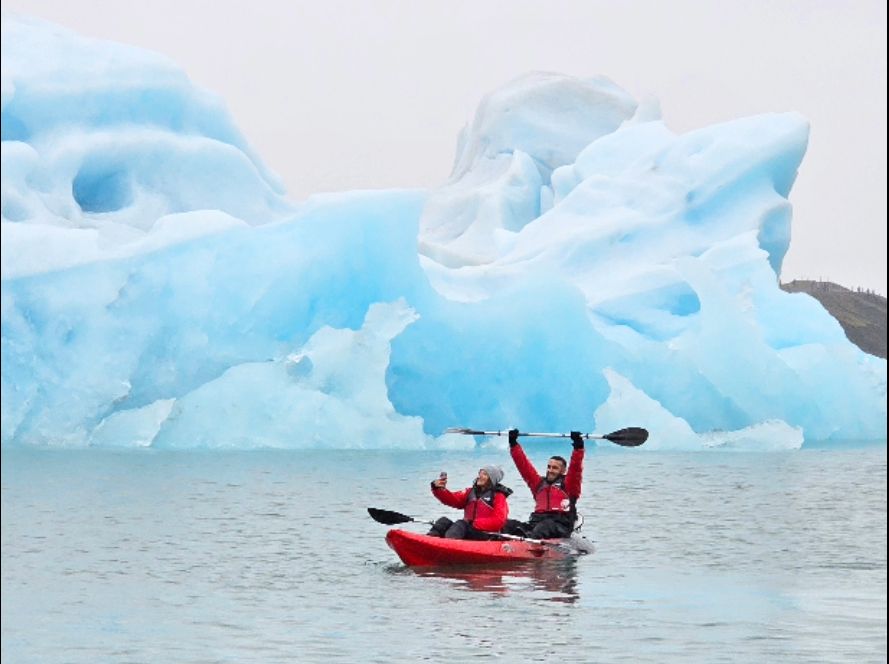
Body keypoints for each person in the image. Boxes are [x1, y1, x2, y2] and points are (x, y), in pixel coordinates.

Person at [505, 428, 584, 539]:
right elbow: (523, 466)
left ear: (563, 471)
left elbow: (576, 469)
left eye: (555, 468)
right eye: (549, 467)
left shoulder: (569, 486)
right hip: (536, 522)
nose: (550, 470)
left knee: (544, 527)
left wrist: (578, 447)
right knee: (508, 524)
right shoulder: (538, 484)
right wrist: (513, 444)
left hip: (559, 525)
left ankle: (529, 543)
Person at [427, 465, 512, 540]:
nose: (480, 476)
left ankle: (447, 546)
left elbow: (499, 521)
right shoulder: (470, 492)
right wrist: (438, 489)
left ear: (492, 480)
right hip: (469, 530)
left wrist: (475, 523)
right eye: (480, 473)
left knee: (461, 524)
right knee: (443, 521)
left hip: (485, 534)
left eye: (485, 474)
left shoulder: (498, 496)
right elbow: (453, 499)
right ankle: (427, 542)